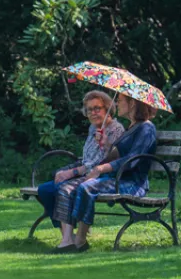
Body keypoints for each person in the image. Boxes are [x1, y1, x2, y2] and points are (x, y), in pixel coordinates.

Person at [58, 93, 159, 250]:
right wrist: (105, 144)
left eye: (120, 101)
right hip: (118, 179)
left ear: (132, 103)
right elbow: (116, 155)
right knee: (80, 185)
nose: (117, 105)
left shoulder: (146, 128)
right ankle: (74, 241)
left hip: (133, 183)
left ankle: (79, 241)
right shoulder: (132, 127)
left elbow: (133, 159)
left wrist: (101, 168)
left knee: (87, 187)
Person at [35, 91, 126, 251]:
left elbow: (113, 158)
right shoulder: (93, 128)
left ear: (107, 109)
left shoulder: (116, 129)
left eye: (97, 108)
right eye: (89, 109)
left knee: (62, 189)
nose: (93, 112)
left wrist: (106, 143)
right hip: (86, 172)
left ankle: (68, 241)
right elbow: (87, 160)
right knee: (45, 189)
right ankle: (67, 236)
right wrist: (67, 171)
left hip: (102, 175)